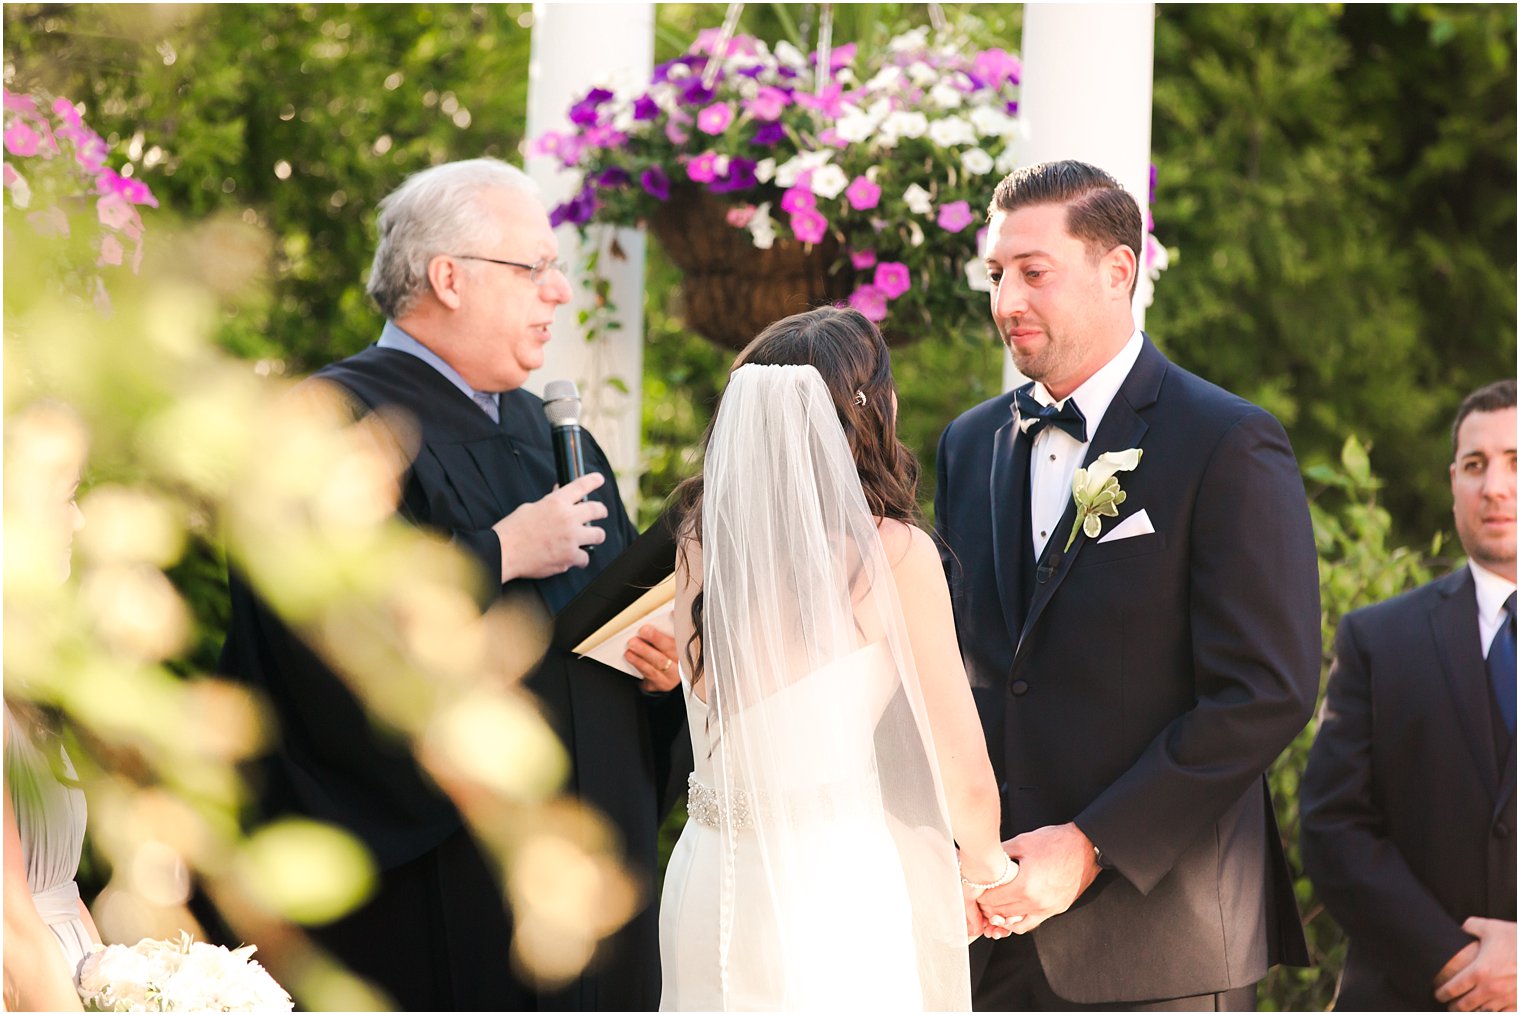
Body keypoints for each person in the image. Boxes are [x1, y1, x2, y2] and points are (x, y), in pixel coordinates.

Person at [217, 158, 684, 1011]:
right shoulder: (336, 420)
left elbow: (601, 623)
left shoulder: (553, 439)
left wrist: (660, 669)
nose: (559, 294)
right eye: (535, 268)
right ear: (449, 277)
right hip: (448, 874)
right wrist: (495, 552)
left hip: (587, 867)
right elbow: (312, 628)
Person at [934, 160, 1320, 1010]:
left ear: (1119, 272)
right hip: (989, 942)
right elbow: (963, 670)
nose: (1006, 302)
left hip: (1163, 946)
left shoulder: (1227, 439)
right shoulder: (967, 446)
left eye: (1034, 273)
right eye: (997, 275)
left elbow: (1266, 690)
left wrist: (1090, 844)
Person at [659, 307, 1009, 1011]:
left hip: (705, 871)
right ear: (868, 410)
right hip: (828, 884)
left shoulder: (702, 538)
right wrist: (988, 866)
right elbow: (960, 767)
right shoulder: (894, 552)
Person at [1300, 379, 1516, 1012]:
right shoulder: (1379, 638)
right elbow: (1333, 827)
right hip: (1410, 992)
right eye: (1475, 466)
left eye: (1514, 462)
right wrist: (1455, 964)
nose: (1495, 487)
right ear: (1453, 483)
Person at [3, 402, 101, 1011]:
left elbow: (59, 891)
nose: (81, 520)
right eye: (67, 498)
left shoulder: (28, 679)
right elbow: (12, 927)